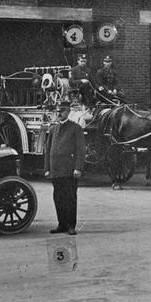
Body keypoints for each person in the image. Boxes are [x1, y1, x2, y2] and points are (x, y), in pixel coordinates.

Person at [44, 98, 86, 235]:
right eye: (58, 111)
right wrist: (47, 169)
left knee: (70, 198)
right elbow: (48, 149)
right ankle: (61, 224)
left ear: (68, 112)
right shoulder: (52, 129)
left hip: (69, 170)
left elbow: (80, 150)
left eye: (62, 111)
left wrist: (78, 168)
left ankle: (71, 226)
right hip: (56, 170)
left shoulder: (76, 128)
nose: (59, 113)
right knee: (58, 198)